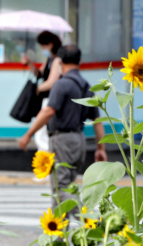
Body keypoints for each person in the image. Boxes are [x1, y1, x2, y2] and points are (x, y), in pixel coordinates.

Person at [18, 45, 107, 209]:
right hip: (80, 141)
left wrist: (28, 134)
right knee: (68, 185)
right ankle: (62, 233)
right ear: (80, 61)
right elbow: (97, 121)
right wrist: (100, 148)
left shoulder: (61, 85)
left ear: (60, 62)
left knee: (61, 189)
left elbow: (48, 112)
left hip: (62, 141)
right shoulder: (86, 86)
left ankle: (88, 218)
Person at [21, 31, 63, 169]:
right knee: (42, 134)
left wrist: (38, 88)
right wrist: (29, 63)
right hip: (46, 100)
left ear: (50, 44)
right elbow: (40, 73)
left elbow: (51, 82)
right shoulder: (50, 59)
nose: (43, 49)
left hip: (50, 100)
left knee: (41, 135)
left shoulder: (57, 60)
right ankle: (46, 168)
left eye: (43, 46)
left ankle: (45, 168)